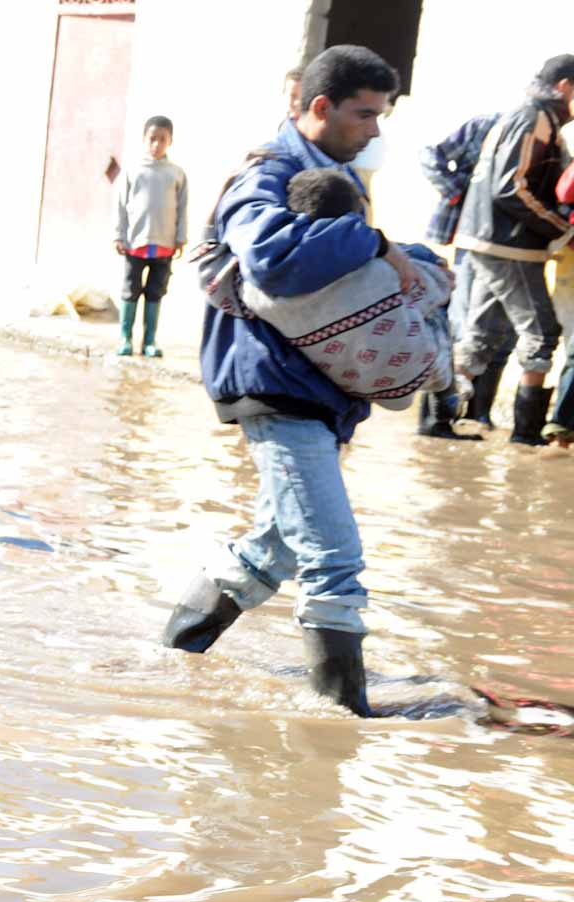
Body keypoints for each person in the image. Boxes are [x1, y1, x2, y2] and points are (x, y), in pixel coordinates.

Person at [161, 45, 418, 716]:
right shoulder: (269, 175)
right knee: (334, 556)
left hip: (313, 390)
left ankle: (169, 660)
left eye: (381, 117)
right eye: (365, 116)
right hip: (276, 386)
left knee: (268, 550)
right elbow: (274, 262)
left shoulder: (328, 171)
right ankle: (342, 722)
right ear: (319, 108)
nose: (374, 131)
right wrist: (377, 243)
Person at [241, 168, 459, 415]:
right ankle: (447, 394)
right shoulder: (379, 273)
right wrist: (430, 265)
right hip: (401, 381)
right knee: (426, 274)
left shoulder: (257, 290)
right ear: (354, 219)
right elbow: (437, 285)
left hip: (338, 380)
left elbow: (210, 266)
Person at [451, 54, 574, 446]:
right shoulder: (534, 118)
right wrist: (560, 229)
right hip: (509, 244)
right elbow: (512, 187)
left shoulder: (541, 119)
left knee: (483, 337)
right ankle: (524, 435)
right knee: (541, 333)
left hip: (497, 240)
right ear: (564, 86)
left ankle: (437, 419)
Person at [417, 110, 506, 431]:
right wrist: (458, 192)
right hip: (471, 237)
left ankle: (474, 416)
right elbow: (429, 154)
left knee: (497, 331)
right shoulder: (486, 125)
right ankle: (436, 420)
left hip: (509, 245)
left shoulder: (547, 134)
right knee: (461, 323)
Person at [113, 116, 187, 357]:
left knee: (155, 292)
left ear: (170, 141)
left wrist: (180, 237)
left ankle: (150, 340)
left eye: (162, 139)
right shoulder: (133, 172)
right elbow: (120, 206)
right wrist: (119, 235)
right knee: (130, 290)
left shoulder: (176, 174)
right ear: (144, 140)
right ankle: (125, 338)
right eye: (152, 139)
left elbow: (182, 207)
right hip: (135, 244)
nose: (156, 144)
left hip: (164, 245)